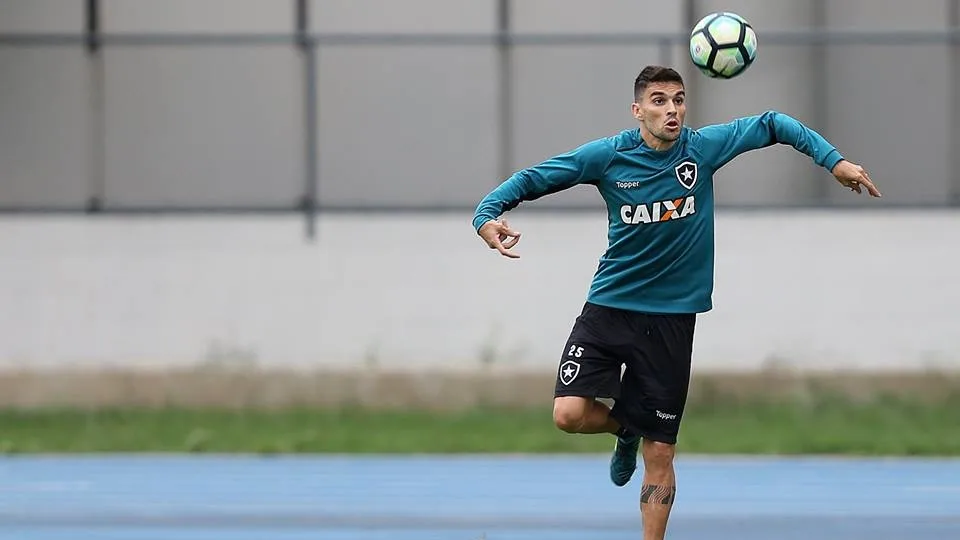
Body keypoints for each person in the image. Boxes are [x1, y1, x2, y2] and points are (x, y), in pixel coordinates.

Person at [470, 65, 881, 540]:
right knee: (568, 414)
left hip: (670, 322)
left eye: (679, 100)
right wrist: (487, 215)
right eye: (660, 101)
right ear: (638, 110)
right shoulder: (608, 156)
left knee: (660, 452)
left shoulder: (701, 149)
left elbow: (773, 123)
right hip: (610, 307)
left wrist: (835, 162)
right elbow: (535, 177)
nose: (672, 110)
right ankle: (625, 425)